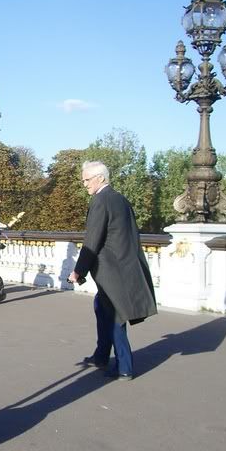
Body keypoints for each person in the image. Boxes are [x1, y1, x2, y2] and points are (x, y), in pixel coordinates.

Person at [68, 161, 157, 381]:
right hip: (125, 265)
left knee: (115, 316)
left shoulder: (100, 201)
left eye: (87, 180)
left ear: (100, 178)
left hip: (110, 270)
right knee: (101, 307)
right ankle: (100, 356)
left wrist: (78, 271)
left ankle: (124, 367)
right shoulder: (120, 199)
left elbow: (92, 240)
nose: (84, 184)